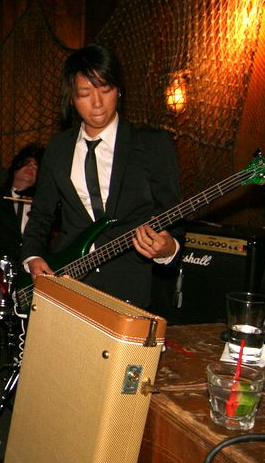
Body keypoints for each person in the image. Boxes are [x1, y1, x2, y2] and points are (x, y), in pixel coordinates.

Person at [21, 44, 181, 308]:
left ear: (118, 90)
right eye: (85, 93)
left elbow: (173, 215)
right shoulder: (58, 148)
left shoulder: (153, 144)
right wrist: (33, 257)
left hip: (132, 289)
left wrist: (168, 249)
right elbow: (41, 214)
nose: (97, 103)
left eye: (105, 90)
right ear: (71, 98)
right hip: (70, 284)